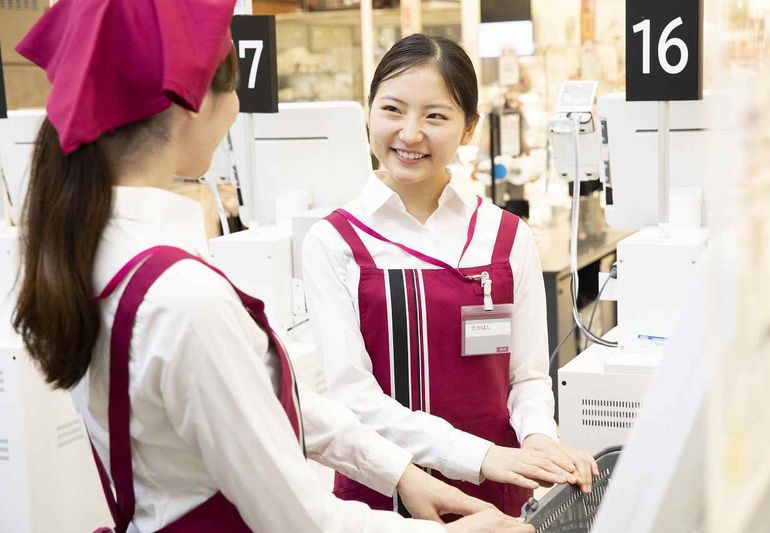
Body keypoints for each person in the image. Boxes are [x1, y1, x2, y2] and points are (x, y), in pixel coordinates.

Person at [11, 2, 534, 532]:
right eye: (233, 89)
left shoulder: (97, 253)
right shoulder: (184, 296)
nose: (238, 108)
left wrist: (399, 473)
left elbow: (260, 401)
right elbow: (297, 518)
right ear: (193, 104)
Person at [302, 33, 599, 517]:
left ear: (469, 128)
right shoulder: (334, 241)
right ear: (368, 112)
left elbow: (526, 377)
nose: (410, 133)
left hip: (498, 496)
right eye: (392, 109)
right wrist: (480, 456)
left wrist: (539, 439)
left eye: (435, 116)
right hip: (381, 502)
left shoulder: (505, 235)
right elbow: (353, 398)